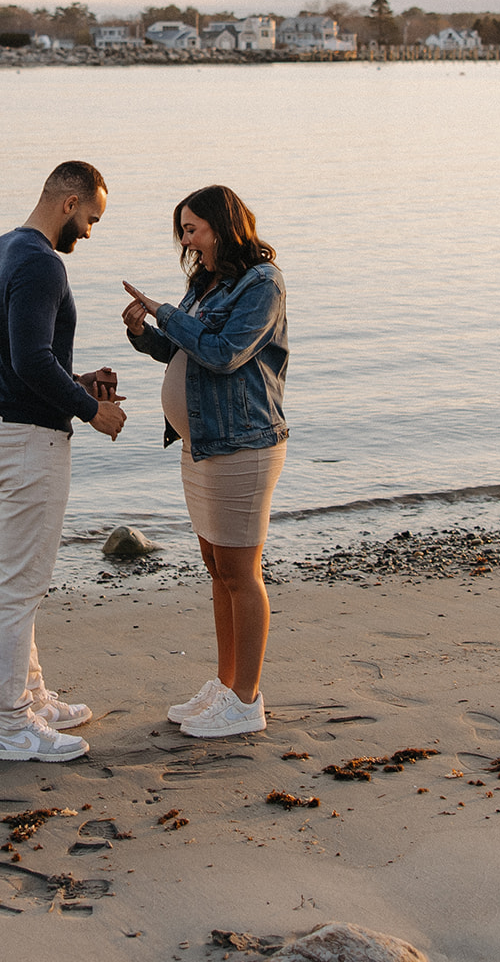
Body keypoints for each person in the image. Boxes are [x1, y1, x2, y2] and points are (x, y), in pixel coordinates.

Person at [0, 160, 126, 762]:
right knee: (20, 587)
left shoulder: (1, 250)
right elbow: (32, 361)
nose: (88, 232)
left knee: (18, 579)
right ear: (69, 203)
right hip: (28, 443)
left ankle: (30, 696)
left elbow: (8, 354)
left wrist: (78, 378)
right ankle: (10, 725)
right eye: (90, 218)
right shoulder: (40, 263)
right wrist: (92, 409)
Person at [122, 184, 287, 739]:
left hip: (243, 445)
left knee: (241, 573)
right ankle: (224, 685)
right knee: (217, 569)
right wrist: (143, 331)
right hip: (202, 445)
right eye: (183, 231)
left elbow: (223, 353)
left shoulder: (261, 283)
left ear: (222, 226)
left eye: (192, 228)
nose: (186, 240)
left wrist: (166, 313)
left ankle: (247, 699)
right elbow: (179, 348)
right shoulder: (206, 283)